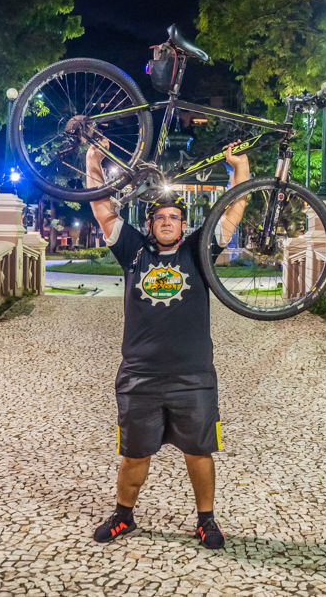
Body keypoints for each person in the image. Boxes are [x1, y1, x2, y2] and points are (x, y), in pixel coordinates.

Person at [85, 135, 250, 549]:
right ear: (151, 223)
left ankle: (207, 521)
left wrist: (240, 171)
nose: (166, 222)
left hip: (193, 376)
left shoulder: (198, 250)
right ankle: (124, 516)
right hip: (140, 376)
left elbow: (233, 212)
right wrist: (93, 159)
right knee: (134, 456)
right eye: (160, 218)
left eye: (174, 217)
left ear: (183, 223)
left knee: (199, 453)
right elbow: (101, 207)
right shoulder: (133, 251)